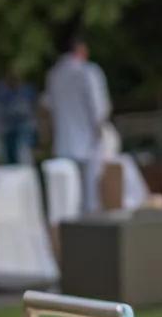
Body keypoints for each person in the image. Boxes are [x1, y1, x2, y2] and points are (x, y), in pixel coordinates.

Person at [45, 28, 119, 213]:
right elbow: (99, 108)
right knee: (89, 195)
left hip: (63, 143)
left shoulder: (54, 75)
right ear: (80, 49)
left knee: (66, 196)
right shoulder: (88, 72)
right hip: (88, 143)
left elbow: (48, 108)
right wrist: (101, 131)